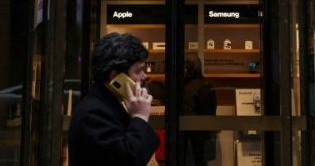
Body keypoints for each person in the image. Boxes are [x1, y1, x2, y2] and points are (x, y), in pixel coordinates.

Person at [69, 33, 160, 166]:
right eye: (138, 70)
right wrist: (140, 118)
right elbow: (127, 159)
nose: (144, 76)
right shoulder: (93, 113)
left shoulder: (112, 103)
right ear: (116, 77)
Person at [181, 54, 216, 166]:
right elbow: (212, 109)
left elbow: (187, 113)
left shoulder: (187, 87)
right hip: (205, 133)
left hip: (190, 135)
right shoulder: (208, 84)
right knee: (202, 162)